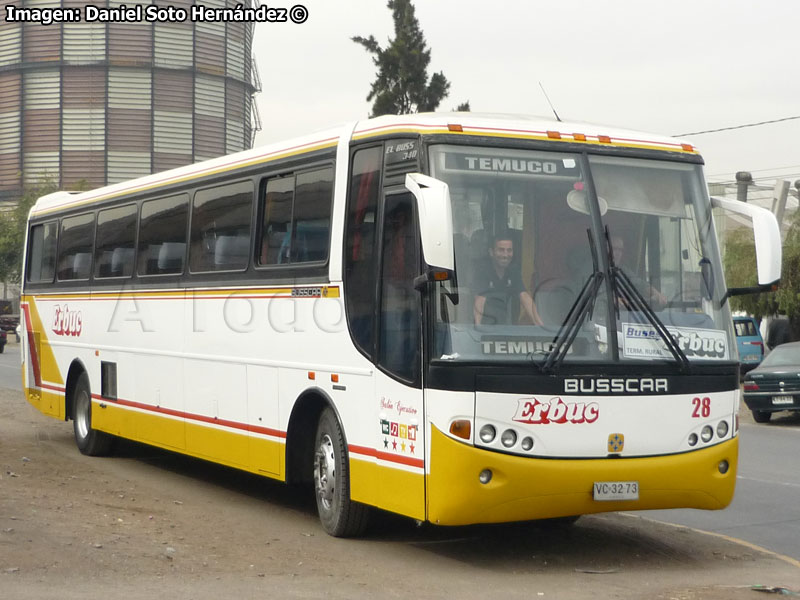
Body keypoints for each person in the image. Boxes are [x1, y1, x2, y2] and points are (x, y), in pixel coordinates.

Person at [474, 233, 543, 326]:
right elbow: (480, 300)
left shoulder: (513, 271)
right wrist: (477, 328)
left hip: (505, 326)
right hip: (485, 327)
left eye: (509, 250)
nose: (505, 255)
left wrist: (540, 326)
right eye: (501, 250)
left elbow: (524, 296)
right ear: (491, 252)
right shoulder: (482, 271)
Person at [610, 235, 667, 308]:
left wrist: (656, 294)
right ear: (606, 249)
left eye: (620, 250)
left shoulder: (621, 270)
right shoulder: (595, 270)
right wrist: (610, 299)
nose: (618, 253)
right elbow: (594, 294)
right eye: (614, 249)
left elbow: (639, 284)